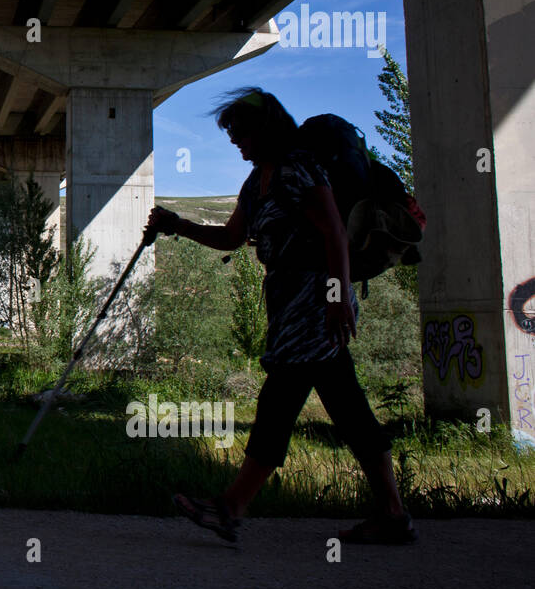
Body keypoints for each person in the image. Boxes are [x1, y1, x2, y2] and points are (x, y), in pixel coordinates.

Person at [143, 87, 416, 544]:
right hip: (288, 301)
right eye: (232, 134)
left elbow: (332, 231)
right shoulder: (256, 184)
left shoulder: (297, 170)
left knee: (280, 398)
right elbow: (232, 239)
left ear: (266, 130)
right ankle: (392, 513)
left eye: (242, 133)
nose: (236, 142)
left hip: (314, 297)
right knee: (346, 406)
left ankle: (231, 507)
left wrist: (336, 296)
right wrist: (179, 226)